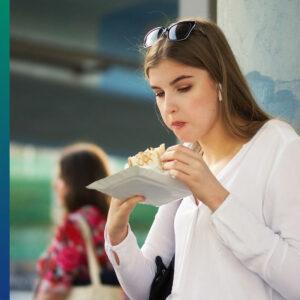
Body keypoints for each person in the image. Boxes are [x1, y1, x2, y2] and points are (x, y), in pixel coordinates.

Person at [104, 17, 300, 300]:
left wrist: (216, 197)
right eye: (159, 93)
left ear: (220, 82)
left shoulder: (278, 146)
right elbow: (146, 288)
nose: (168, 107)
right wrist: (117, 233)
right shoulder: (186, 160)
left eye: (183, 87)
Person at [35, 143, 121, 300]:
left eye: (61, 177)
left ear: (75, 181)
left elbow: (56, 285)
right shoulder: (110, 220)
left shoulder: (74, 224)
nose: (56, 185)